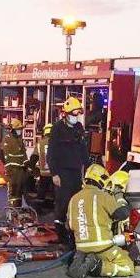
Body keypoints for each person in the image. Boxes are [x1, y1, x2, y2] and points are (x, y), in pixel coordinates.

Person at [66, 164, 134, 278]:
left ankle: (80, 259)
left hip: (81, 247)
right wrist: (119, 195)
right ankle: (96, 266)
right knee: (128, 266)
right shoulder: (102, 196)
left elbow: (69, 226)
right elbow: (122, 214)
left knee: (86, 249)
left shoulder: (74, 199)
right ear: (101, 179)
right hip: (102, 247)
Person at [47, 97, 90, 242]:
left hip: (76, 172)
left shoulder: (79, 128)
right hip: (62, 173)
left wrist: (88, 168)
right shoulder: (57, 129)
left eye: (78, 114)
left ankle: (73, 231)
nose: (76, 117)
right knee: (63, 203)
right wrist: (55, 174)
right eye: (73, 114)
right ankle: (61, 234)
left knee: (76, 202)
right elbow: (51, 153)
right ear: (65, 114)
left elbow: (84, 151)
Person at [1, 119, 30, 208]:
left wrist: (28, 166)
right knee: (13, 191)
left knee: (19, 191)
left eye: (21, 129)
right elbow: (5, 156)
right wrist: (8, 170)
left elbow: (23, 155)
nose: (20, 131)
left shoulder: (19, 140)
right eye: (19, 129)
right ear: (13, 130)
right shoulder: (7, 139)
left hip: (21, 170)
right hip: (12, 170)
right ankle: (12, 209)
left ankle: (18, 208)